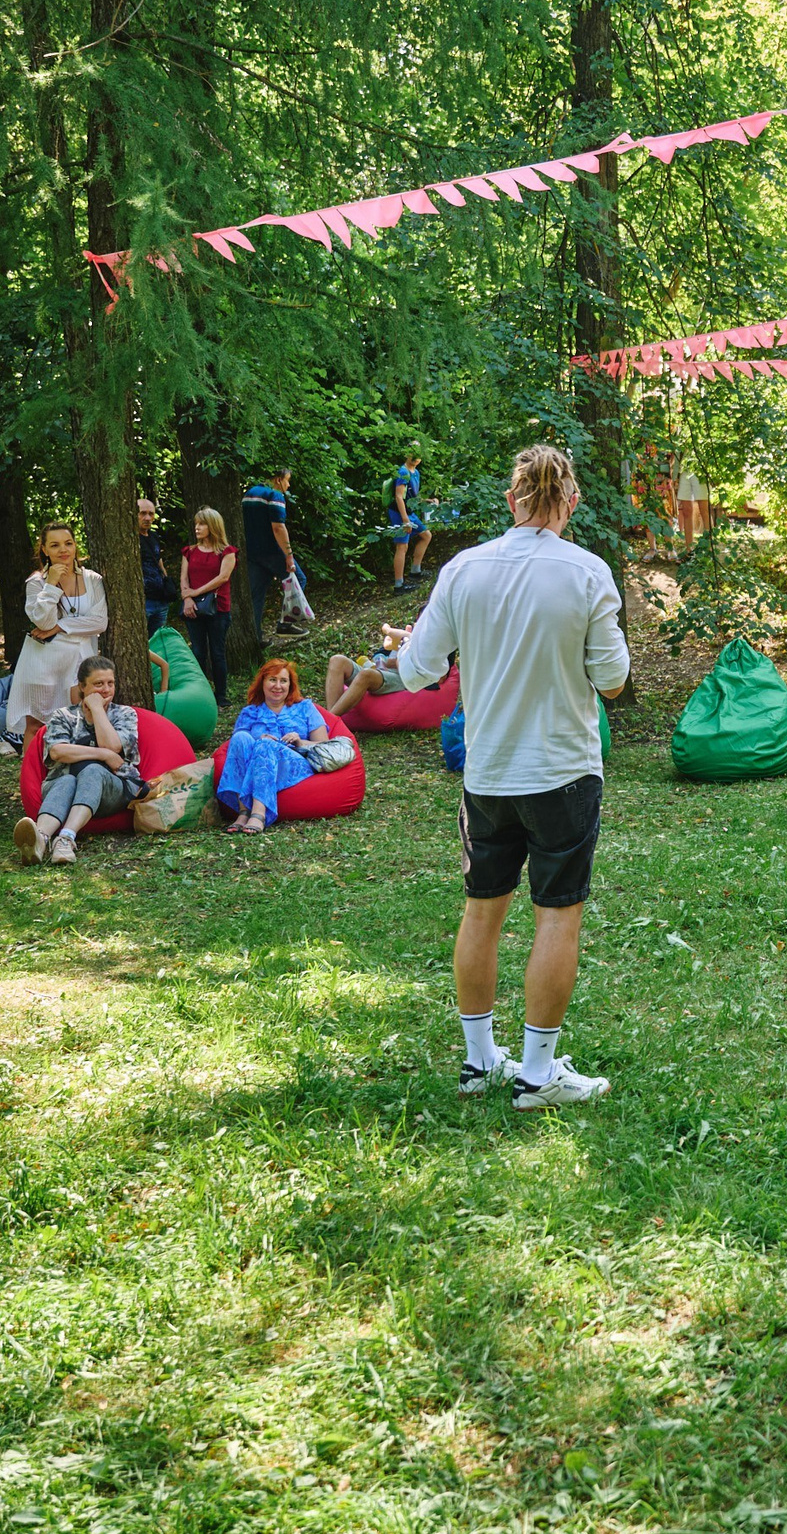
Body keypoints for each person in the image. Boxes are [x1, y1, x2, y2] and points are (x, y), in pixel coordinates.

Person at [395, 443, 629, 1107]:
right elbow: (612, 679)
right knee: (557, 917)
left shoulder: (463, 569)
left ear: (511, 499)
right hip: (561, 769)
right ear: (572, 500)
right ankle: (536, 1071)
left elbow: (416, 671)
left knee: (482, 912)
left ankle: (478, 1063)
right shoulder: (587, 572)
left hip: (488, 772)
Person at [14, 656, 145, 865]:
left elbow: (112, 745)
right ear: (83, 687)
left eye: (110, 683)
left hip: (112, 789)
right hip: (64, 782)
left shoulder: (125, 714)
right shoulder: (63, 716)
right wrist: (103, 755)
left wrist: (97, 710)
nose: (106, 689)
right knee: (67, 781)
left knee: (92, 771)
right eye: (98, 684)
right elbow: (57, 752)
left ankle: (66, 838)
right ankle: (40, 838)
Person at [4, 520, 108, 746]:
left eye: (68, 543)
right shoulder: (36, 583)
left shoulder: (92, 579)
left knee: (82, 717)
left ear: (75, 546)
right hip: (44, 661)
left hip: (81, 660)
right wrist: (51, 584)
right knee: (37, 723)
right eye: (55, 545)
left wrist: (61, 626)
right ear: (44, 549)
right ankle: (30, 779)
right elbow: (43, 620)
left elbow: (100, 622)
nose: (63, 550)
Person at [217, 659, 332, 833]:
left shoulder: (305, 708)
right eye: (272, 679)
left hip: (296, 762)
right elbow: (237, 750)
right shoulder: (250, 712)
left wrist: (300, 741)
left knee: (266, 744)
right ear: (262, 683)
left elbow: (324, 745)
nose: (278, 686)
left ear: (290, 685)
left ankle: (259, 814)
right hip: (257, 763)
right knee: (241, 737)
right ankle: (243, 811)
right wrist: (258, 741)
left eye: (283, 681)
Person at [177, 506, 238, 696]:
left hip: (218, 608)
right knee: (197, 652)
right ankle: (201, 693)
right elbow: (183, 578)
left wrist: (195, 592)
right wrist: (187, 598)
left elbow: (223, 578)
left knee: (217, 653)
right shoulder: (190, 551)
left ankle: (221, 695)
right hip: (193, 608)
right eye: (196, 524)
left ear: (212, 525)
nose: (197, 528)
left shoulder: (227, 552)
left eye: (201, 524)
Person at [242, 469, 303, 636]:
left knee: (257, 593)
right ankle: (286, 624)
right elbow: (278, 527)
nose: (288, 485)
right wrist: (288, 555)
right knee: (298, 580)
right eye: (287, 480)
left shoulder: (249, 493)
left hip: (252, 552)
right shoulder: (275, 496)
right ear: (278, 479)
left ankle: (254, 636)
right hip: (272, 551)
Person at [326, 624, 415, 717]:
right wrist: (391, 647)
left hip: (401, 677)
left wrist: (399, 662)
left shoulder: (427, 644)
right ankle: (331, 717)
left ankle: (329, 721)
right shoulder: (404, 634)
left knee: (366, 674)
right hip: (382, 670)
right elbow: (380, 654)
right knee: (337, 660)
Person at [389, 449, 432, 593]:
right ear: (407, 454)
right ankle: (399, 585)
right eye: (412, 453)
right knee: (402, 546)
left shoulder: (416, 472)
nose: (415, 457)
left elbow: (412, 496)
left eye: (418, 454)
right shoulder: (403, 472)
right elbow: (399, 496)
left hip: (410, 512)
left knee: (426, 535)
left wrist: (427, 501)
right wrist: (405, 520)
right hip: (399, 513)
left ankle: (415, 571)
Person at [138, 497, 175, 633]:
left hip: (161, 600)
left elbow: (159, 562)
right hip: (143, 602)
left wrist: (166, 582)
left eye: (151, 513)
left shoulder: (154, 536)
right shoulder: (130, 539)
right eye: (142, 513)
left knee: (158, 642)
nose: (147, 518)